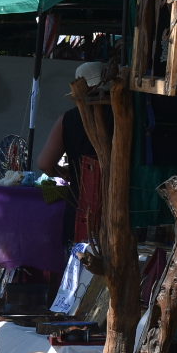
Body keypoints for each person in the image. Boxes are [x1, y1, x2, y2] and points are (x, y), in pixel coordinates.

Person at [34, 61, 106, 242]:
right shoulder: (127, 114)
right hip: (121, 202)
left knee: (79, 258)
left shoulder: (68, 119)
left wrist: (65, 173)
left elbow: (44, 163)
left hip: (81, 200)